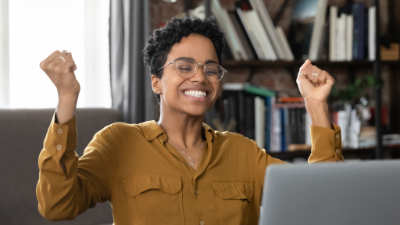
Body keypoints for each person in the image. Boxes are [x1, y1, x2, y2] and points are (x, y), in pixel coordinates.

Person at [37, 17, 343, 224]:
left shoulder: (243, 153)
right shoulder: (118, 143)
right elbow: (57, 205)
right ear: (156, 82)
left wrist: (316, 105)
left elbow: (323, 203)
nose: (200, 77)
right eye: (184, 67)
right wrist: (67, 99)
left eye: (211, 70)